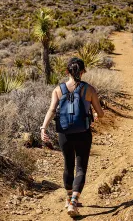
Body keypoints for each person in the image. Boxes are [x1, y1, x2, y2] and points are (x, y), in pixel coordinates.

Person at [40, 57, 104, 217]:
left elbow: (52, 110)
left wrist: (43, 128)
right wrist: (96, 113)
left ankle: (69, 199)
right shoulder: (89, 89)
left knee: (68, 166)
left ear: (67, 71)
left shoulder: (58, 89)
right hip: (83, 133)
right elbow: (100, 113)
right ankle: (74, 203)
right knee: (81, 167)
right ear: (82, 72)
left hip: (64, 134)